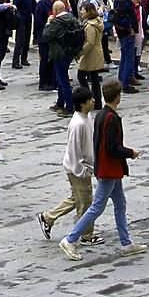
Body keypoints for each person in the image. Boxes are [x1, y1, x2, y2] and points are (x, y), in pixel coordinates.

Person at [61, 78, 141, 257]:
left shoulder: (100, 115)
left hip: (107, 169)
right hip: (109, 169)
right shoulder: (110, 118)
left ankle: (126, 242)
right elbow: (112, 147)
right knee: (97, 207)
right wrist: (131, 153)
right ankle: (70, 239)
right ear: (118, 97)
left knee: (120, 203)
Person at [41, 87, 98, 238]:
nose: (93, 101)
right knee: (85, 202)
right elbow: (74, 150)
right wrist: (81, 170)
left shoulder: (87, 117)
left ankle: (48, 217)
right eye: (89, 99)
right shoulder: (77, 124)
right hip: (77, 168)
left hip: (83, 166)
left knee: (76, 197)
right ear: (82, 104)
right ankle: (87, 235)